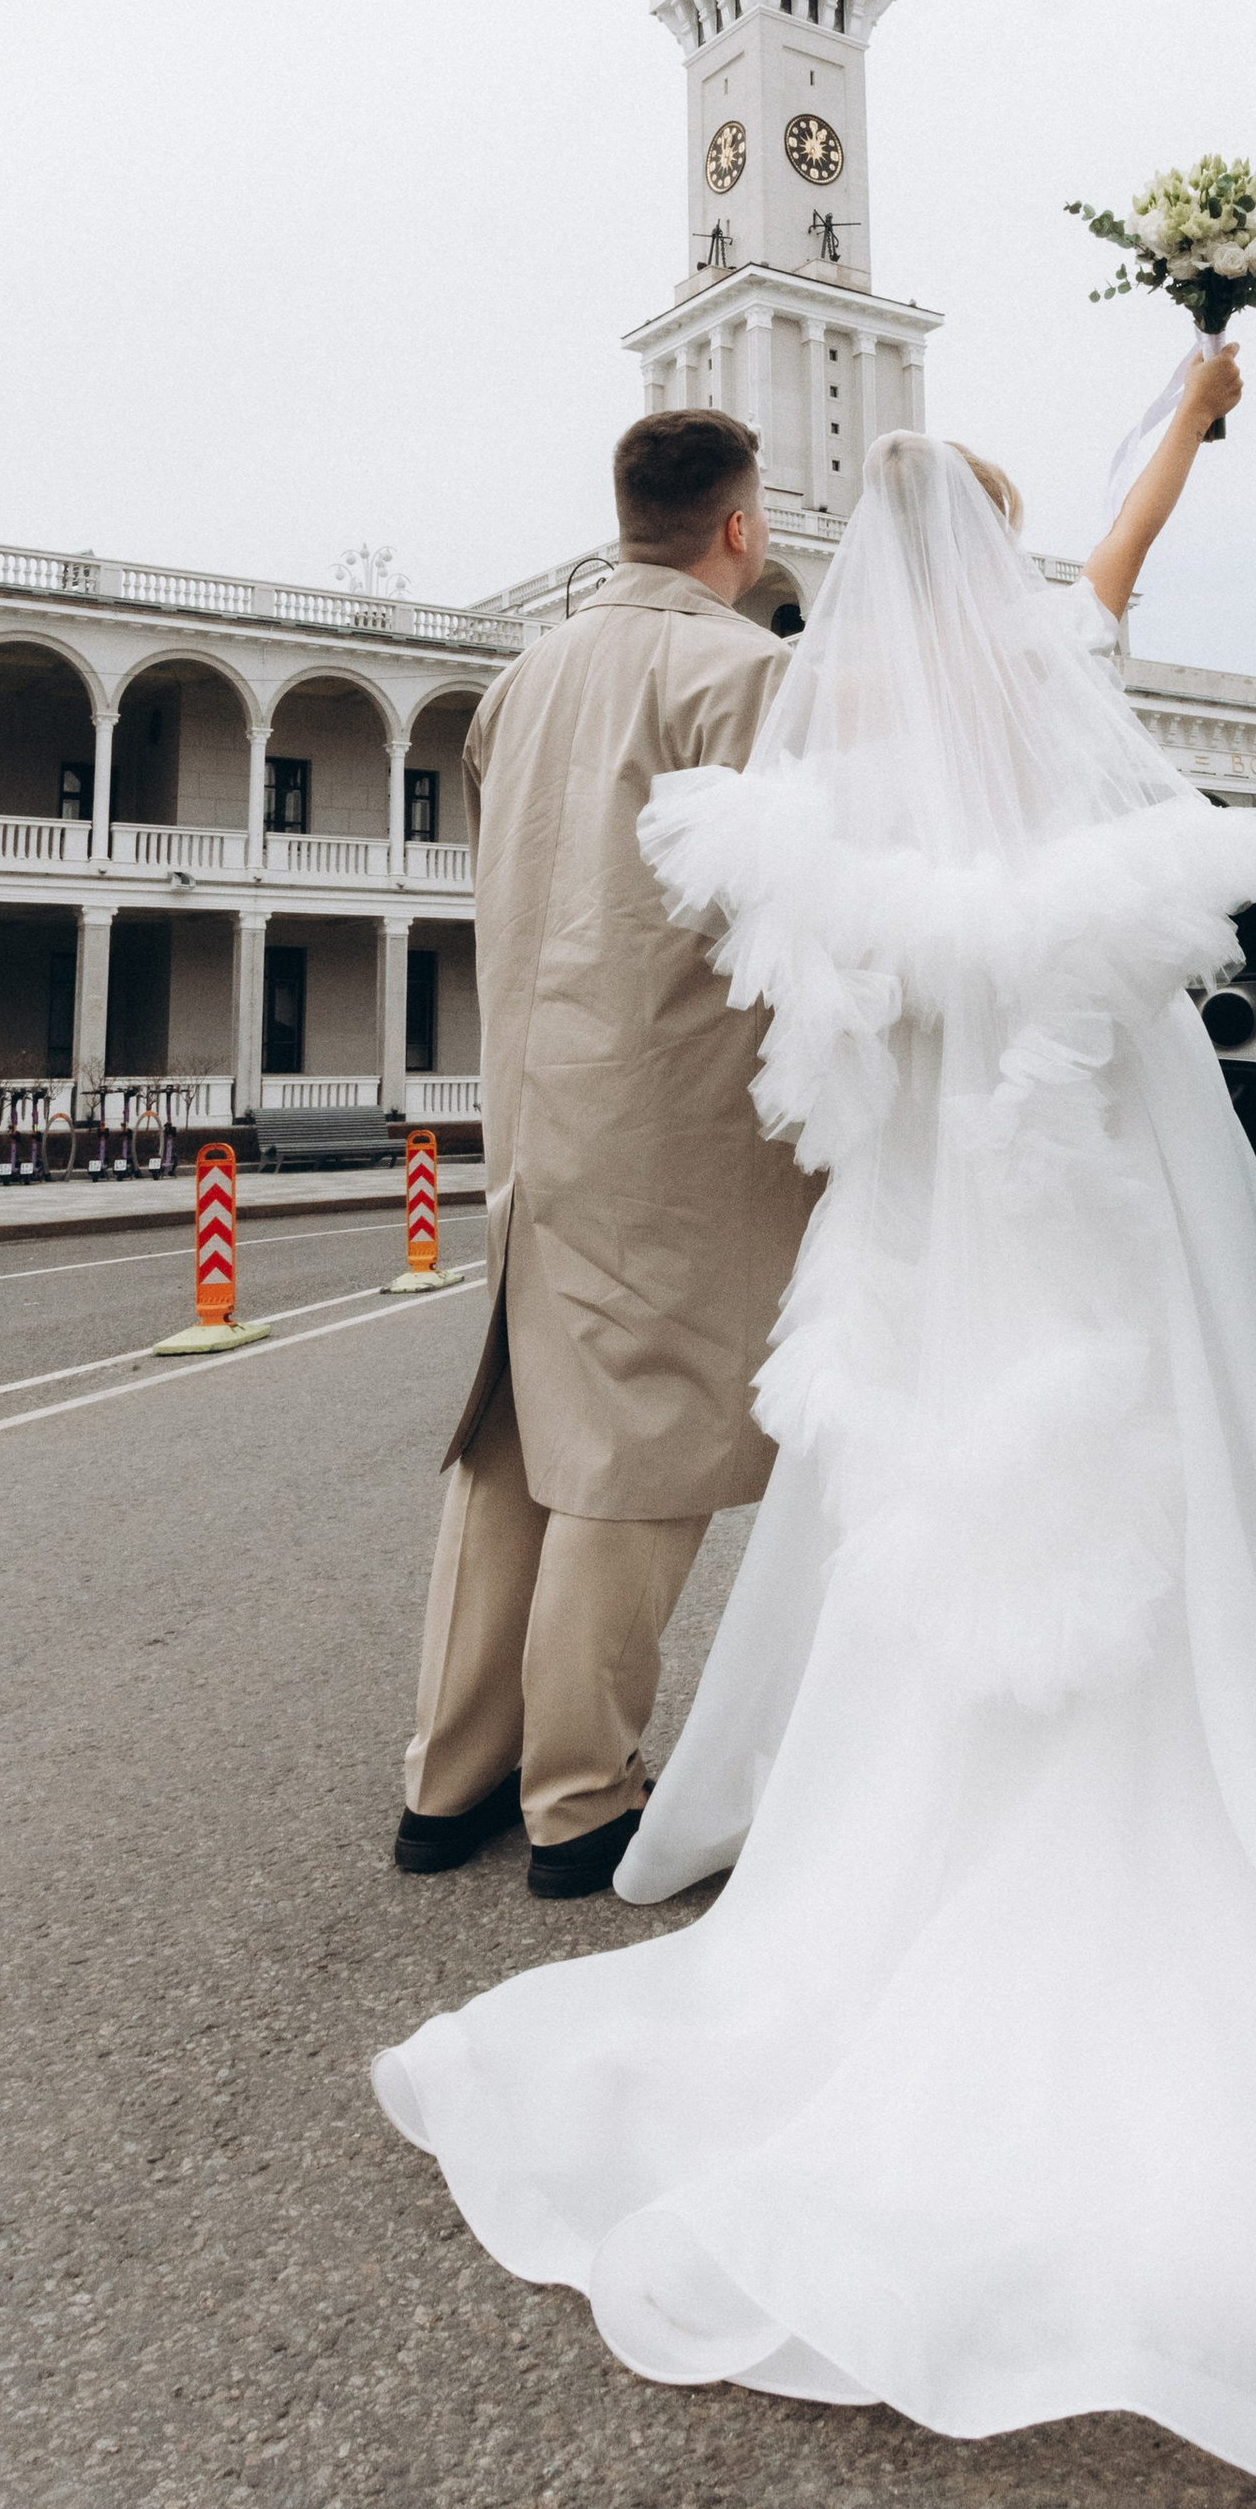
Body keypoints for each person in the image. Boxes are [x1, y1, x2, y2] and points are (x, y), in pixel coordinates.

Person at [374, 349, 1256, 2508]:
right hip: (1103, 1210)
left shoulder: (810, 722)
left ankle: (621, 1803)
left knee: (867, 1511)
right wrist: (1192, 398)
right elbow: (1111, 554)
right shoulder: (1042, 681)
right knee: (1158, 1478)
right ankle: (1153, 1797)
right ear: (998, 576)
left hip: (916, 1230)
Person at [391, 406, 809, 1902]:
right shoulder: (743, 671)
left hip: (531, 1092)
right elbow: (781, 904)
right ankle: (579, 1794)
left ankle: (450, 1778)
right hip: (671, 1106)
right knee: (638, 1439)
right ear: (739, 527)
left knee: (517, 1428)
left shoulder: (520, 683)